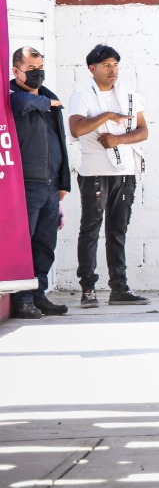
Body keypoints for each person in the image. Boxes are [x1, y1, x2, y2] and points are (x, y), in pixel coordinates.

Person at [66, 44, 149, 307]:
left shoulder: (129, 94)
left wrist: (118, 139)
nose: (112, 69)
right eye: (106, 65)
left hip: (125, 172)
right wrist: (107, 116)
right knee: (91, 229)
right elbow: (76, 129)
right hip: (94, 173)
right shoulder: (82, 96)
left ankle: (119, 289)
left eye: (115, 64)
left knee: (118, 230)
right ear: (92, 69)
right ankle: (88, 289)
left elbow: (143, 131)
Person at [8, 46, 71, 319]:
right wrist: (46, 103)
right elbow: (20, 105)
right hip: (26, 185)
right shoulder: (10, 95)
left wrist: (63, 183)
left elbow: (60, 140)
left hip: (51, 185)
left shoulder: (49, 96)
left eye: (41, 68)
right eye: (31, 69)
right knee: (24, 244)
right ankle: (22, 300)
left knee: (45, 245)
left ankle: (38, 295)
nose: (38, 73)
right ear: (16, 71)